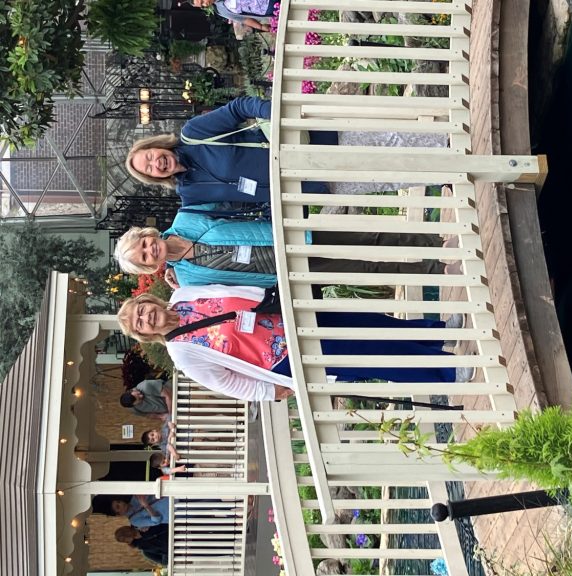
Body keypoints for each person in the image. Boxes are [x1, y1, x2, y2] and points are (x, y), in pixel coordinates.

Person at [116, 285, 474, 402]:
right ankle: (444, 371)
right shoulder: (182, 352)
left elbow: (228, 290)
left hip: (288, 314)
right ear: (145, 334)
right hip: (287, 356)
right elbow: (226, 382)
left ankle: (436, 333)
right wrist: (270, 392)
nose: (146, 317)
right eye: (140, 324)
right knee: (369, 356)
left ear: (148, 301)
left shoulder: (182, 295)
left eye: (141, 310)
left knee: (370, 323)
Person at [124, 96, 447, 207]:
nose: (155, 163)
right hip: (302, 183)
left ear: (156, 145)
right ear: (154, 178)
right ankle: (443, 173)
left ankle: (447, 146)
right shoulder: (190, 193)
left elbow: (239, 108)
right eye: (149, 168)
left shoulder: (193, 135)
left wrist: (277, 117)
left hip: (305, 143)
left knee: (385, 142)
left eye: (150, 156)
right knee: (379, 180)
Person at [113, 218, 450, 289]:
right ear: (149, 267)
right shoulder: (187, 279)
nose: (149, 250)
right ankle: (431, 270)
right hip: (283, 272)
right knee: (361, 269)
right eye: (145, 257)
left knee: (366, 237)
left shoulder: (186, 219)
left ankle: (431, 242)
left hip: (286, 235)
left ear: (146, 234)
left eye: (144, 244)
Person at [191, 0, 274, 32]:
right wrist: (261, 27)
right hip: (268, 9)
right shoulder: (220, 11)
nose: (205, 4)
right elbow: (244, 19)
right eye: (202, 5)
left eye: (202, 1)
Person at [106, 495, 171, 528]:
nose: (121, 504)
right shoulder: (134, 520)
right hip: (171, 512)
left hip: (169, 495)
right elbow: (157, 521)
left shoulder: (134, 497)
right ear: (119, 514)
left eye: (119, 501)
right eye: (118, 507)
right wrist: (146, 506)